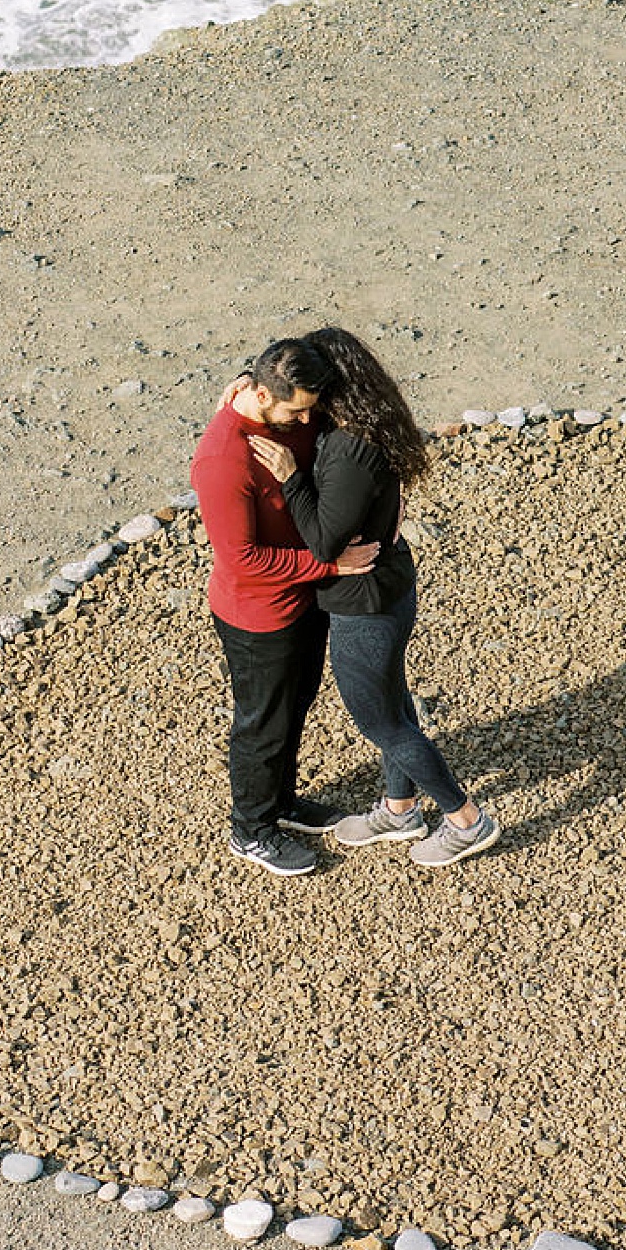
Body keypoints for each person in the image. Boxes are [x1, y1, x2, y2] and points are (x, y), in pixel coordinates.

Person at [247, 325, 499, 868]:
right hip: (388, 582)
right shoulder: (365, 427)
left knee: (381, 721)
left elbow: (323, 540)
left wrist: (291, 479)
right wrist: (246, 385)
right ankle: (400, 807)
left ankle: (465, 820)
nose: (304, 410)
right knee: (394, 702)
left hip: (364, 601)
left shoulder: (348, 449)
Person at [191, 337, 378, 877]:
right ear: (262, 395)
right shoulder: (224, 460)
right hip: (257, 617)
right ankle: (251, 829)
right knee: (261, 725)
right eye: (295, 410)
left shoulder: (281, 415)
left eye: (309, 409)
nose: (306, 420)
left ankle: (281, 802)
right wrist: (331, 565)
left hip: (299, 602)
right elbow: (242, 559)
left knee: (296, 705)